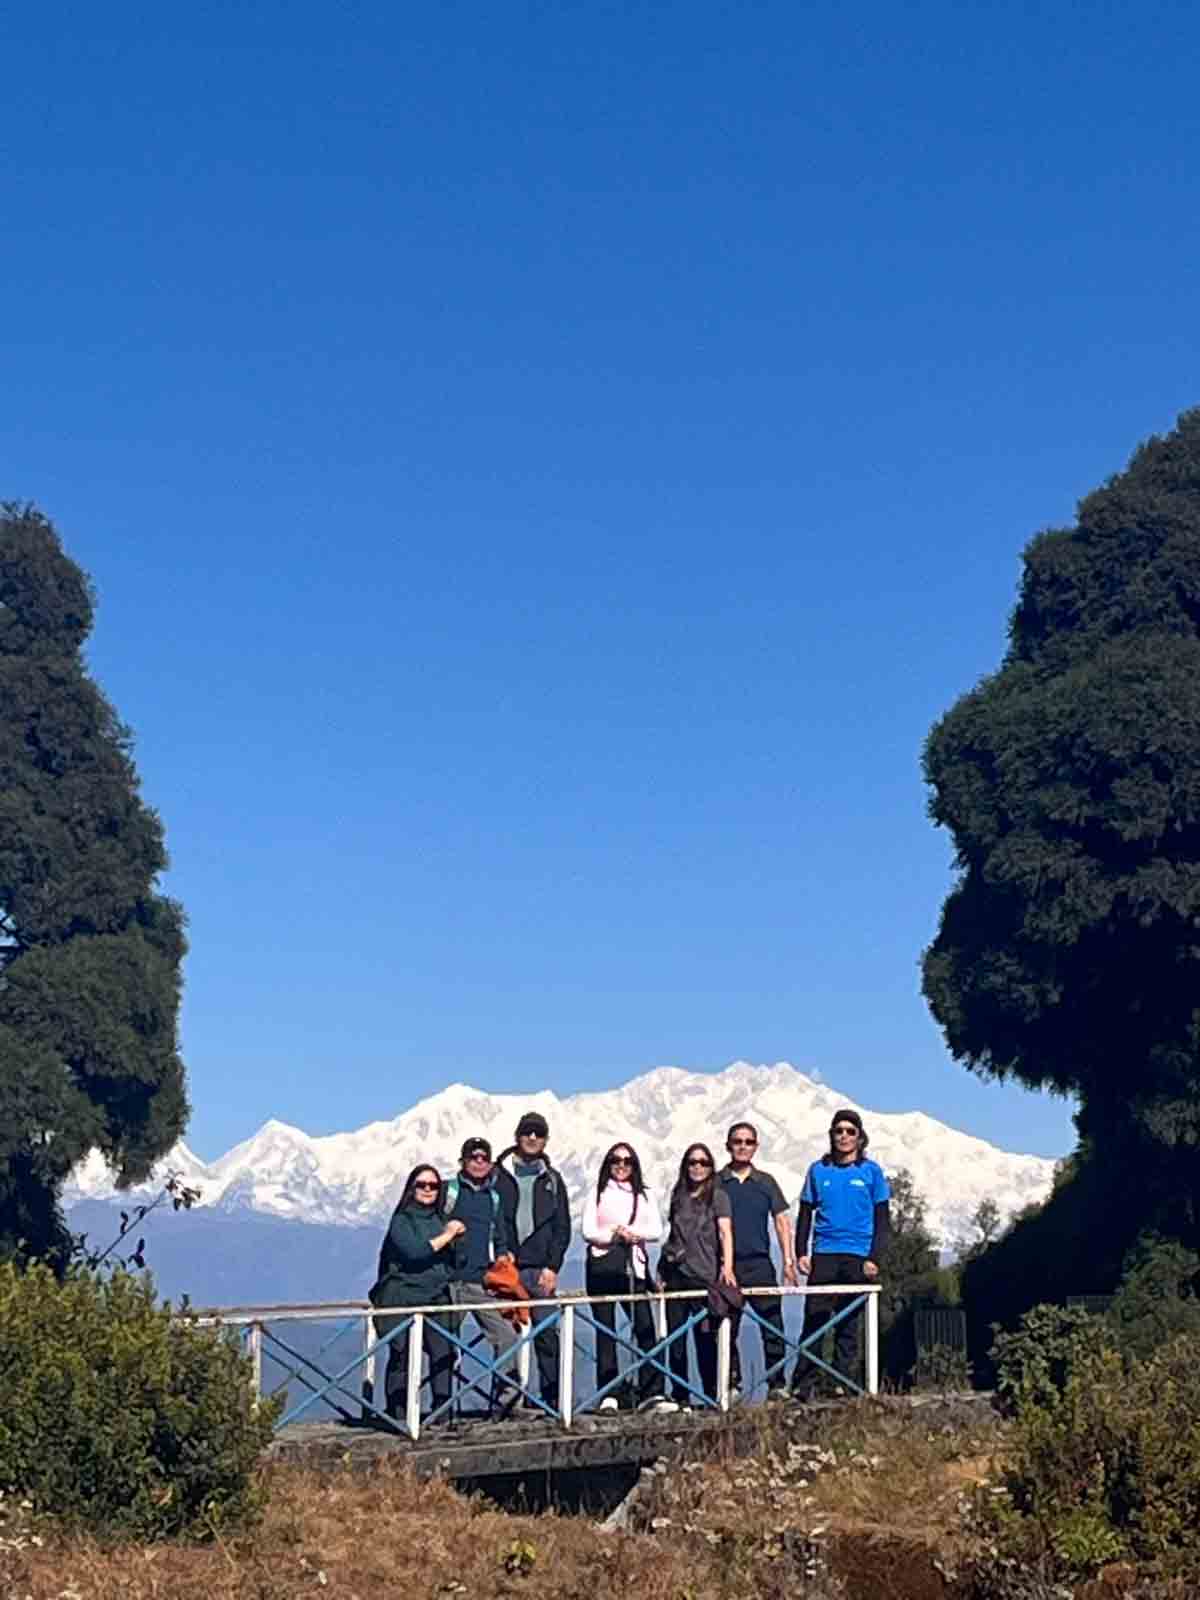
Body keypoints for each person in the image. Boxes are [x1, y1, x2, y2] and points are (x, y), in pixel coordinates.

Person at [792, 1108, 890, 1401]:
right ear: (831, 1135)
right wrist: (801, 1252)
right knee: (815, 1319)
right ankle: (803, 1383)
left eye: (850, 1131)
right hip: (824, 1253)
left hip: (858, 1254)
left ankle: (841, 1383)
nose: (844, 1136)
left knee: (849, 1324)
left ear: (860, 1137)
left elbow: (883, 1219)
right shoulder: (818, 1170)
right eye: (839, 1131)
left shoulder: (871, 1172)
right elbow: (805, 1214)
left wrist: (875, 1257)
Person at [582, 1142, 675, 1414]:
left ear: (634, 1165)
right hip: (602, 1269)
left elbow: (657, 1229)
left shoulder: (644, 1194)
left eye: (627, 1161)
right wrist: (614, 1232)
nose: (621, 1166)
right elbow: (588, 1230)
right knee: (606, 1332)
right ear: (607, 1164)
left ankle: (653, 1390)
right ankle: (609, 1392)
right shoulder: (597, 1193)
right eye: (615, 1160)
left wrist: (632, 1233)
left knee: (646, 1328)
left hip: (634, 1269)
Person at [493, 1110, 571, 1414]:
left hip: (540, 1270)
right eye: (528, 1132)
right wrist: (500, 1251)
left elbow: (562, 1227)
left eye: (539, 1133)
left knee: (547, 1335)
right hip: (507, 1269)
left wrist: (554, 1266)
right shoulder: (499, 1176)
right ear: (517, 1137)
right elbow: (492, 1219)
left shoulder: (552, 1180)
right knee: (505, 1338)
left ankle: (551, 1400)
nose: (533, 1138)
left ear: (546, 1139)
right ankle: (509, 1402)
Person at [370, 1164, 461, 1422]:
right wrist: (448, 1235)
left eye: (433, 1186)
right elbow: (414, 1252)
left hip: (436, 1296)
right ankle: (398, 1414)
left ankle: (442, 1412)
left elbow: (454, 1261)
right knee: (402, 1355)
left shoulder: (439, 1220)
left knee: (443, 1353)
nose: (428, 1190)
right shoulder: (401, 1220)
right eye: (422, 1184)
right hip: (402, 1296)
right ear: (412, 1188)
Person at [443, 1136, 521, 1413]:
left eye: (484, 1158)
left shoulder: (493, 1198)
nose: (479, 1162)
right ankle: (441, 1407)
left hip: (480, 1282)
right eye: (473, 1157)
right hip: (449, 1281)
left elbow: (500, 1236)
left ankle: (505, 1402)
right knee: (442, 1344)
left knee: (507, 1337)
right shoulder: (447, 1192)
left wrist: (503, 1255)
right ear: (462, 1161)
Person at [719, 1121, 796, 1399]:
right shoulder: (716, 1183)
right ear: (728, 1146)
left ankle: (776, 1384)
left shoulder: (766, 1182)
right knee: (726, 1327)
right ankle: (731, 1383)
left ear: (756, 1146)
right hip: (727, 1267)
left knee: (773, 1325)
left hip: (760, 1263)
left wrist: (788, 1260)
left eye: (748, 1142)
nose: (742, 1146)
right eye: (737, 1141)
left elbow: (781, 1221)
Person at [658, 1142, 736, 1408]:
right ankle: (680, 1395)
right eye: (692, 1162)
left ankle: (713, 1394)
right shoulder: (678, 1196)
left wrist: (727, 1267)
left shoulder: (718, 1196)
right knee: (676, 1340)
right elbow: (673, 1235)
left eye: (703, 1162)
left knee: (706, 1340)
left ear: (711, 1167)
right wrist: (662, 1267)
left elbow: (725, 1231)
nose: (697, 1167)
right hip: (677, 1275)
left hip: (705, 1276)